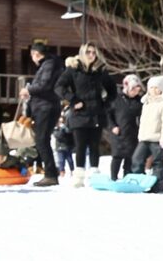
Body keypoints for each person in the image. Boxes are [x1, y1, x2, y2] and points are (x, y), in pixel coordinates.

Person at [55, 44, 116, 187]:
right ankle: (79, 177)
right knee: (80, 146)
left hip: (96, 113)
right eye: (88, 52)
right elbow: (59, 87)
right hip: (79, 113)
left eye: (94, 52)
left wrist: (105, 104)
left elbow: (112, 90)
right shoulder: (73, 69)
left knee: (94, 145)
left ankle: (94, 175)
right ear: (82, 53)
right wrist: (73, 100)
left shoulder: (100, 70)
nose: (91, 55)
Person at [19, 43, 64, 186]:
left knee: (42, 140)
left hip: (45, 107)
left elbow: (45, 85)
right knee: (41, 140)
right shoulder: (49, 64)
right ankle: (50, 173)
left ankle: (51, 174)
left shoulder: (49, 65)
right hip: (44, 106)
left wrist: (29, 90)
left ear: (36, 54)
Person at [132, 75, 163, 193]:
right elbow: (143, 122)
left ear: (162, 89)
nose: (154, 90)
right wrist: (140, 136)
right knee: (137, 159)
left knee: (158, 163)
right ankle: (139, 182)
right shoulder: (146, 103)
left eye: (157, 87)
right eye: (151, 87)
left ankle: (157, 187)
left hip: (158, 139)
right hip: (145, 137)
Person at [106, 74, 144, 180]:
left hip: (133, 133)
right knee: (117, 156)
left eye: (137, 89)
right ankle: (114, 178)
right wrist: (113, 126)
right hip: (118, 133)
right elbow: (108, 115)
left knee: (130, 157)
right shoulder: (116, 99)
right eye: (133, 89)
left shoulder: (139, 101)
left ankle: (127, 177)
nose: (135, 92)